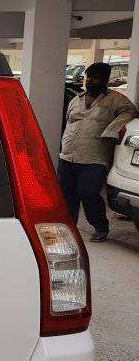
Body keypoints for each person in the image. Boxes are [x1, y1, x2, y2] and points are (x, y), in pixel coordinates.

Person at [58, 62, 138, 241]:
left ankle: (100, 226)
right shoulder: (76, 99)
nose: (90, 81)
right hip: (68, 156)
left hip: (94, 158)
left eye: (95, 77)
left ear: (105, 80)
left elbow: (131, 112)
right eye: (89, 77)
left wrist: (112, 129)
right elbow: (68, 122)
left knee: (88, 193)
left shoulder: (115, 99)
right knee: (66, 196)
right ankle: (69, 228)